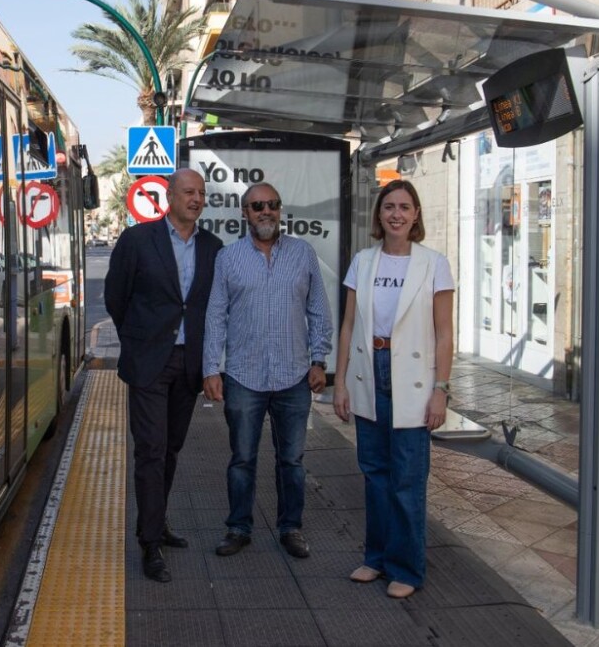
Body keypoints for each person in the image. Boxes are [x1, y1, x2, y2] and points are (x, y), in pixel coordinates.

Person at [332, 179, 454, 599]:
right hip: (370, 372)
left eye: (404, 207)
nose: (396, 214)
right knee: (375, 474)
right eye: (389, 207)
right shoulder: (363, 262)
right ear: (379, 214)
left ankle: (407, 568)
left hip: (413, 377)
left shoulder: (434, 264)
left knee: (407, 477)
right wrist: (340, 382)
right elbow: (349, 325)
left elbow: (444, 334)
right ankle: (376, 558)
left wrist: (441, 389)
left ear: (416, 214)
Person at [105, 168, 223, 583]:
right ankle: (150, 542)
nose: (196, 199)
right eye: (188, 192)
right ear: (169, 196)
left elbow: (211, 306)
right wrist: (139, 341)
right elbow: (115, 297)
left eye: (201, 193)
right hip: (149, 364)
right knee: (151, 451)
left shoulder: (212, 246)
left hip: (188, 365)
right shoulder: (137, 240)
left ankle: (156, 521)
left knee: (171, 448)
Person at [203, 182, 332, 561]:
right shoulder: (228, 258)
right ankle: (238, 528)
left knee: (291, 461)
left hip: (294, 376)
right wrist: (211, 369)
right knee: (242, 459)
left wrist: (319, 360)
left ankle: (291, 527)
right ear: (245, 213)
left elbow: (319, 310)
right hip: (243, 376)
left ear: (280, 209)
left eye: (272, 204)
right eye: (257, 205)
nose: (266, 211)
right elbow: (215, 316)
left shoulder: (303, 254)